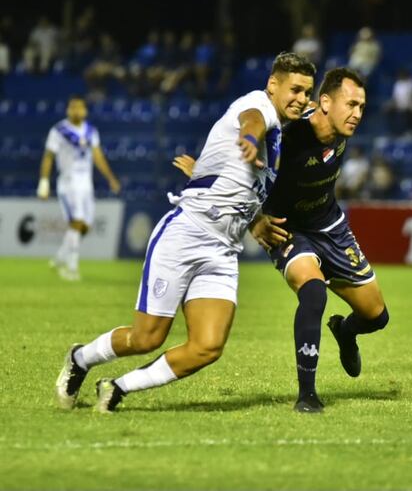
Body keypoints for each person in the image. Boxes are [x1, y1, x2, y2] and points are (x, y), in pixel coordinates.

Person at [53, 52, 316, 413]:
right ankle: (80, 358)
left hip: (222, 250)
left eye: (307, 93)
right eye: (295, 89)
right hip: (186, 235)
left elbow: (236, 185)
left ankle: (116, 388)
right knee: (146, 337)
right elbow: (251, 121)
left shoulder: (279, 141)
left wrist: (255, 220)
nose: (301, 99)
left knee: (208, 346)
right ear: (273, 84)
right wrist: (250, 139)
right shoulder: (258, 106)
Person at [179, 68, 389, 413]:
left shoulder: (341, 130)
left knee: (376, 317)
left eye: (362, 107)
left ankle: (345, 332)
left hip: (331, 226)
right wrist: (253, 219)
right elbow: (238, 166)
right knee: (313, 291)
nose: (357, 114)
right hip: (286, 229)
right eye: (351, 104)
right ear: (324, 102)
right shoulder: (287, 136)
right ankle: (307, 394)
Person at [37, 96, 121, 281]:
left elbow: (98, 156)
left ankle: (60, 258)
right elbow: (48, 156)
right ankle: (71, 268)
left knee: (84, 227)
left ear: (85, 110)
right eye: (72, 107)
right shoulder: (59, 130)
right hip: (68, 183)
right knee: (76, 222)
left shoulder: (91, 131)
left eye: (79, 107)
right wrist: (44, 182)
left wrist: (111, 178)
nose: (76, 110)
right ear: (68, 109)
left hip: (86, 184)